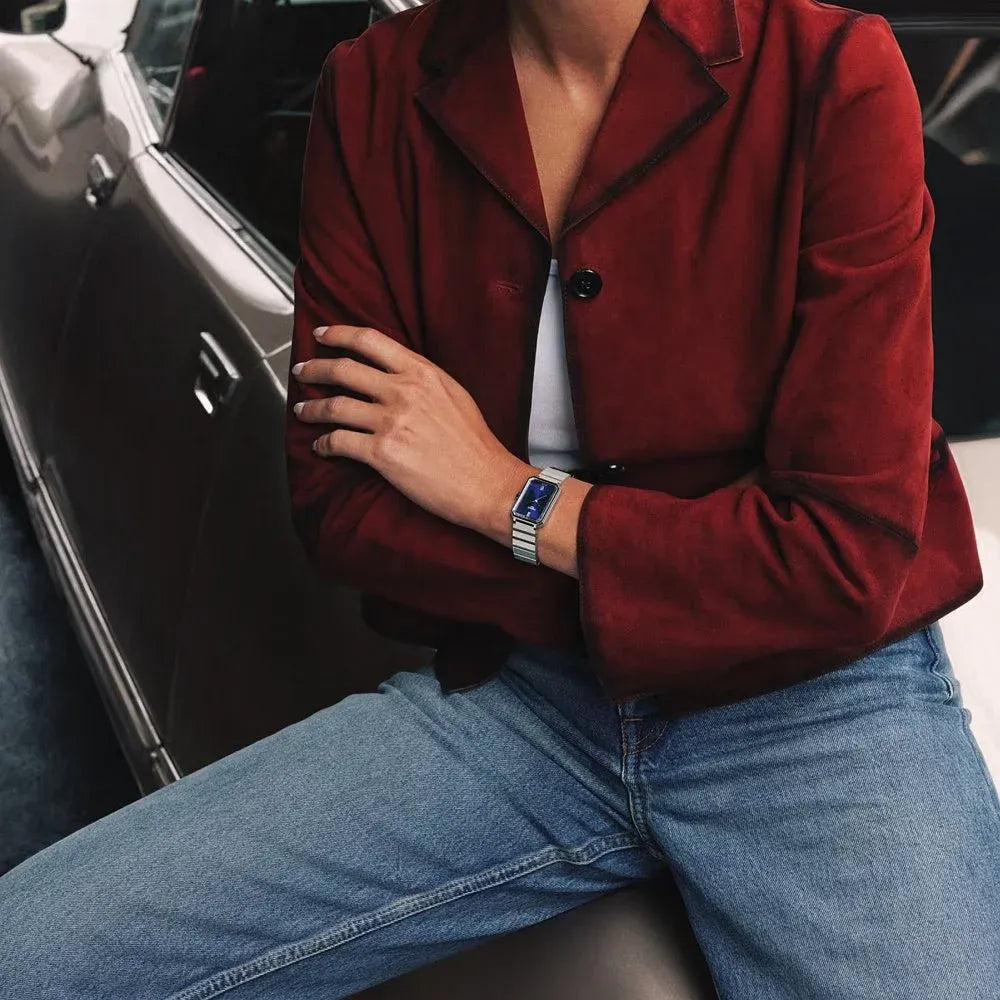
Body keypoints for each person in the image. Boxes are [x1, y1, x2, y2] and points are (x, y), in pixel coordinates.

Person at [1, 0, 998, 997]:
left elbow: (841, 559)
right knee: (32, 951)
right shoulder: (376, 84)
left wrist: (504, 496)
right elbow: (344, 505)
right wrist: (692, 576)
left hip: (816, 708)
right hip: (528, 698)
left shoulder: (830, 69)